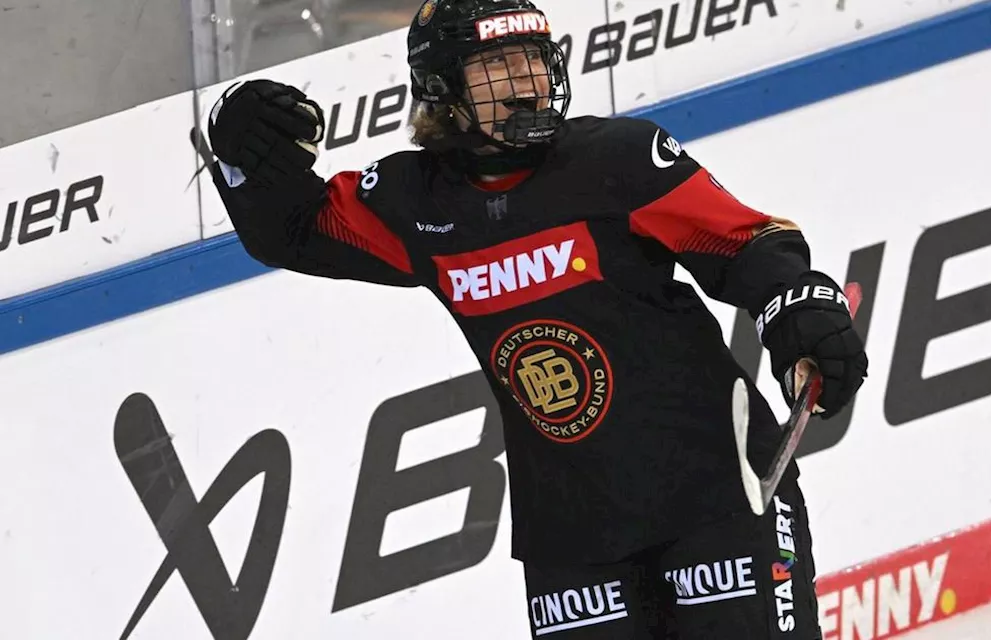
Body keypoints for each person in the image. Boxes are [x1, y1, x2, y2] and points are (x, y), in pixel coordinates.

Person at [204, 0, 868, 637]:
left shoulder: (619, 160)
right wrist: (239, 147)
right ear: (441, 89)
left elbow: (746, 243)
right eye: (497, 66)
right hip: (571, 531)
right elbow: (292, 229)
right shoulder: (411, 203)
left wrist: (799, 309)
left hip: (717, 495)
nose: (525, 81)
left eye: (532, 59)